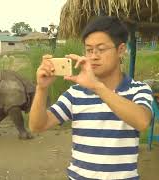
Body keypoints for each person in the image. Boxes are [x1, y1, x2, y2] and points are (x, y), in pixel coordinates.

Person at [29, 16, 153, 180]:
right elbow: (37, 125)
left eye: (101, 49)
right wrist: (42, 88)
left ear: (121, 50)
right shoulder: (75, 93)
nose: (93, 56)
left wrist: (96, 87)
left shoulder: (138, 90)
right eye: (89, 50)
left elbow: (142, 121)